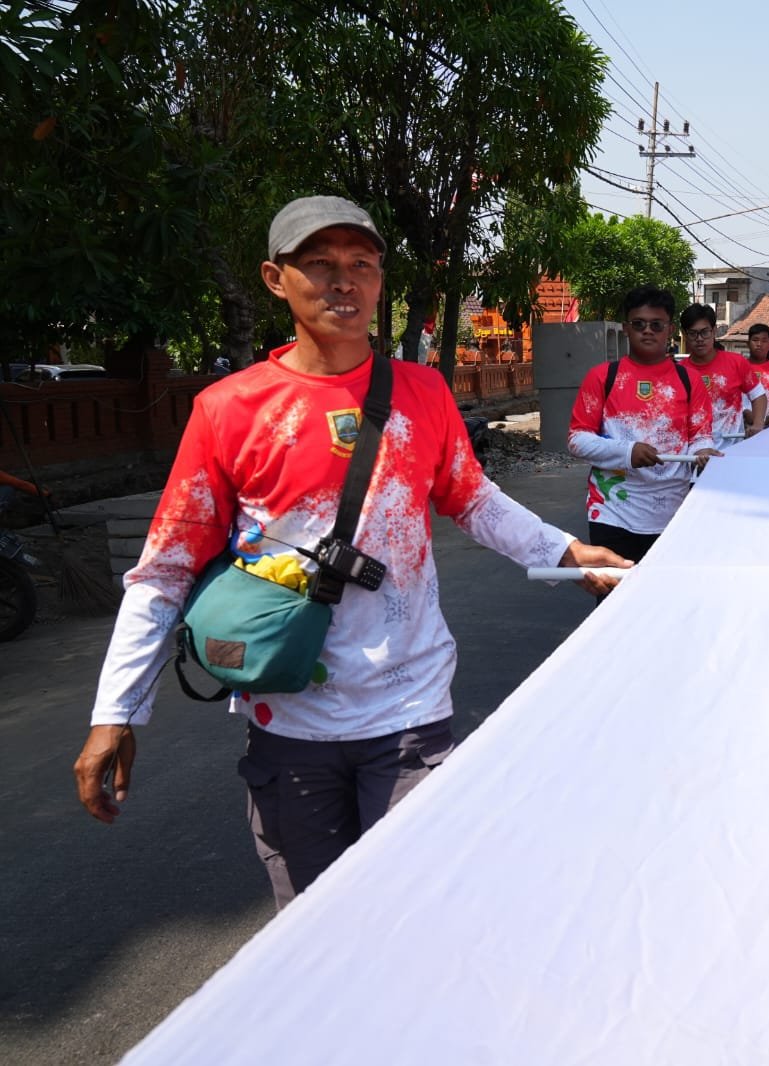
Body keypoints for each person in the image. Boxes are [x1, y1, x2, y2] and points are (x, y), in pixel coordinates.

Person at [71, 196, 627, 908]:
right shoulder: (229, 408)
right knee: (313, 936)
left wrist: (570, 552)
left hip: (410, 714)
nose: (344, 282)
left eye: (360, 265)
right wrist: (115, 713)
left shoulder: (423, 392)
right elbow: (167, 569)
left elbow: (472, 499)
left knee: (419, 921)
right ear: (276, 279)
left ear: (379, 281)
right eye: (321, 265)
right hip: (288, 721)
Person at [568, 286, 719, 564]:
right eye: (639, 324)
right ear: (626, 327)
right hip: (613, 511)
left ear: (669, 329)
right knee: (615, 600)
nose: (647, 331)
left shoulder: (690, 380)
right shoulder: (601, 377)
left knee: (666, 599)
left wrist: (704, 452)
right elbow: (578, 439)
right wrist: (627, 452)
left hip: (673, 512)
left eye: (656, 325)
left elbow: (700, 436)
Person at [680, 303, 767, 449]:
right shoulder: (679, 371)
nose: (699, 339)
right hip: (693, 454)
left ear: (714, 331)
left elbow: (758, 395)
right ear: (684, 334)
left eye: (704, 332)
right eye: (693, 333)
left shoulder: (736, 362)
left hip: (732, 449)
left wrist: (758, 424)